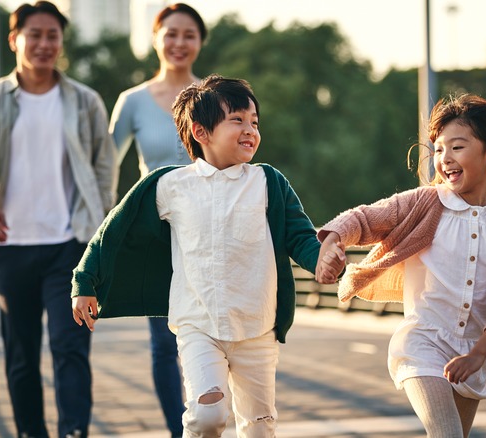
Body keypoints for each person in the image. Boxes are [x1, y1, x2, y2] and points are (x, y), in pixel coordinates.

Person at [71, 74, 345, 437]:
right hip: (197, 325)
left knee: (259, 427)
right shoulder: (169, 185)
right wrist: (84, 281)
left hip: (257, 327)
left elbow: (300, 237)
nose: (250, 130)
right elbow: (112, 232)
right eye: (237, 120)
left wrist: (324, 260)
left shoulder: (268, 182)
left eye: (254, 122)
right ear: (201, 133)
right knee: (206, 416)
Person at [315, 93, 486, 437]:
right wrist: (333, 241)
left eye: (457, 147)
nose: (445, 159)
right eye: (438, 149)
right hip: (422, 341)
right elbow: (365, 218)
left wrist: (479, 354)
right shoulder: (426, 203)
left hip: (474, 349)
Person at [0, 2, 117, 437]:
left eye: (53, 36)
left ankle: (74, 432)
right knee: (22, 355)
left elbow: (105, 167)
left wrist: (101, 232)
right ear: (15, 40)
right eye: (36, 35)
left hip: (71, 246)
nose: (45, 44)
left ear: (61, 42)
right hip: (11, 247)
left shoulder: (84, 101)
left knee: (71, 349)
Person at [109, 4, 206, 436]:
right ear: (155, 39)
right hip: (155, 232)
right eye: (171, 34)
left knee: (214, 336)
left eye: (189, 34)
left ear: (200, 41)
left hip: (210, 229)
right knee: (164, 344)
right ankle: (178, 430)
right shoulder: (131, 102)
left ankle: (213, 420)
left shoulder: (216, 95)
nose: (179, 43)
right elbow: (104, 167)